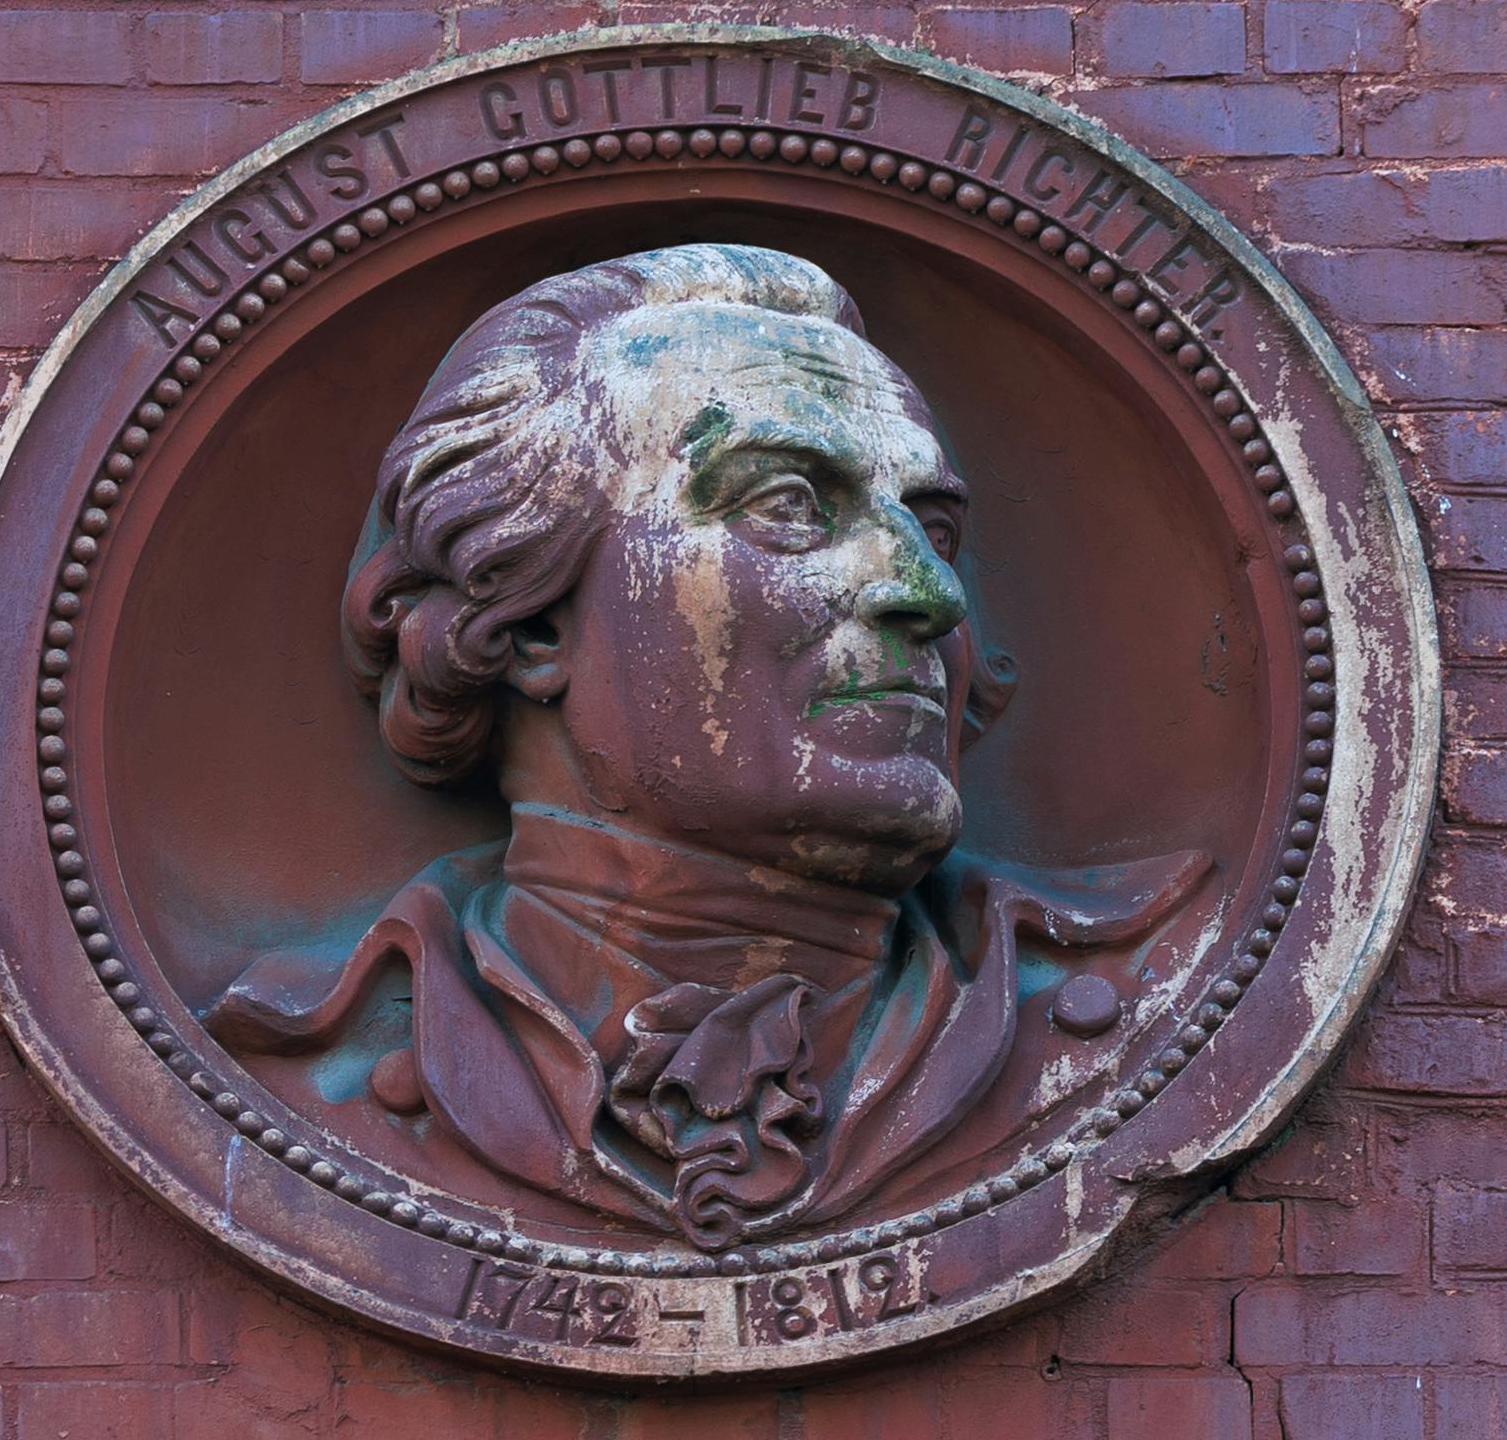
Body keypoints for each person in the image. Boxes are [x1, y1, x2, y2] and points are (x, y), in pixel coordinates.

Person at [209, 239, 1204, 1251]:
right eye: (787, 504)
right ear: (528, 618)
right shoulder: (296, 1057)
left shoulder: (1146, 1002)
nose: (931, 591)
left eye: (933, 528)